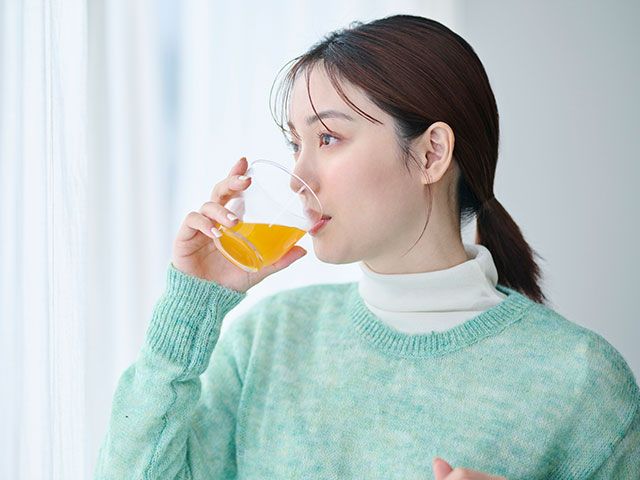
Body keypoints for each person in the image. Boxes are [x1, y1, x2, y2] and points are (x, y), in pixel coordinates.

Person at [94, 15, 640, 479]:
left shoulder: (580, 380)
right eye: (295, 143)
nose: (298, 176)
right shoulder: (268, 341)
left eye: (328, 138)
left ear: (431, 154)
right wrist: (190, 307)